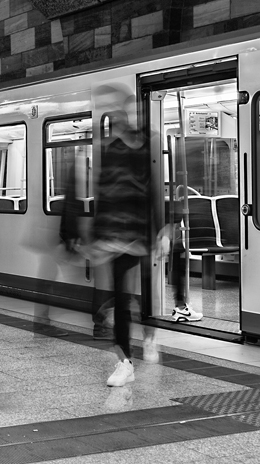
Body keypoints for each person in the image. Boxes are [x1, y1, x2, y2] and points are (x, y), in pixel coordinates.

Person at [90, 88, 167, 387]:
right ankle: (125, 362)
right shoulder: (109, 149)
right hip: (117, 236)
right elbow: (104, 192)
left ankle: (150, 335)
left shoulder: (150, 145)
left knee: (148, 293)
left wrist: (162, 229)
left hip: (142, 233)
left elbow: (155, 189)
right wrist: (98, 235)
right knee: (122, 299)